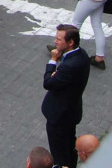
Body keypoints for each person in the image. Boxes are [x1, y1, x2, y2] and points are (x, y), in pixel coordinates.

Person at [43, 25, 91, 168]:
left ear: (70, 43)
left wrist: (52, 61)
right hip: (71, 112)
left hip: (59, 116)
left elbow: (48, 83)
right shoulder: (81, 55)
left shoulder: (69, 66)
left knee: (59, 154)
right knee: (70, 146)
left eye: (59, 39)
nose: (55, 42)